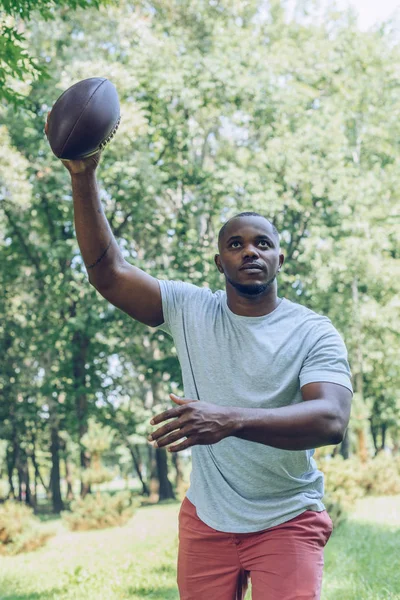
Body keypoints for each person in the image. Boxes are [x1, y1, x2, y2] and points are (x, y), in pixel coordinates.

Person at [46, 130, 352, 599]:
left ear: (279, 259)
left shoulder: (313, 331)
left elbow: (330, 420)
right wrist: (83, 175)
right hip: (207, 517)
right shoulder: (192, 309)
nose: (250, 250)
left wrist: (228, 419)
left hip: (288, 515)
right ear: (219, 261)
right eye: (235, 243)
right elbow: (108, 273)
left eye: (263, 244)